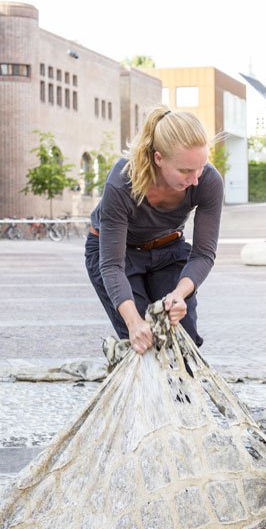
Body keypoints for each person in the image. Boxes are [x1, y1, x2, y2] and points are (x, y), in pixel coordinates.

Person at [85, 105, 224, 355]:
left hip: (168, 249)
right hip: (117, 255)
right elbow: (111, 266)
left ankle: (182, 394)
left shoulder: (208, 181)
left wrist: (180, 295)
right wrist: (134, 322)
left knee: (183, 339)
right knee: (144, 341)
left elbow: (204, 254)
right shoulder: (122, 181)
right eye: (185, 170)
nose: (195, 179)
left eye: (201, 167)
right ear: (158, 158)